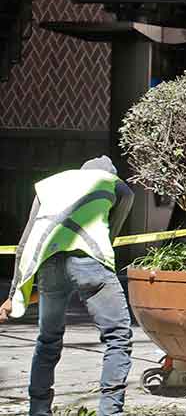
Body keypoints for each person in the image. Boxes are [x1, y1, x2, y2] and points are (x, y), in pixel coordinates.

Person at [0, 156, 135, 416]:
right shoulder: (115, 184)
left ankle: (38, 410)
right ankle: (110, 411)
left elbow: (24, 245)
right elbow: (117, 218)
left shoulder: (49, 185)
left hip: (49, 266)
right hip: (91, 264)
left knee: (48, 340)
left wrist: (13, 294)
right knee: (118, 337)